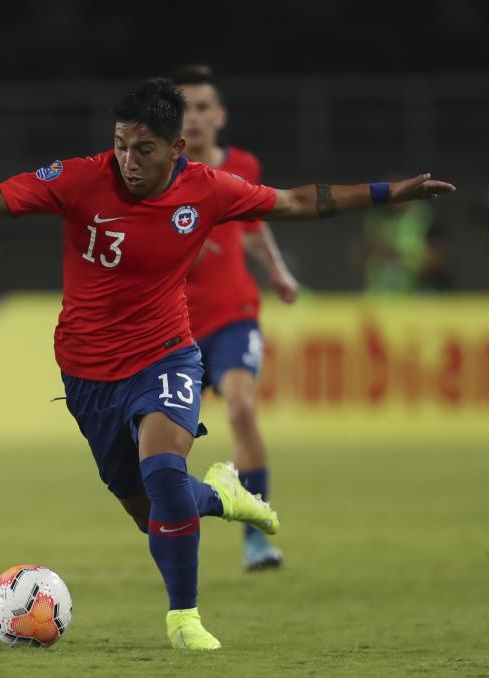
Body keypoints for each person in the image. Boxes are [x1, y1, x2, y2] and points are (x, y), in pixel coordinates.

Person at [0, 78, 454, 650]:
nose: (127, 160)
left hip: (165, 353)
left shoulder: (208, 191)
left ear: (177, 150)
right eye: (120, 145)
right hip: (87, 373)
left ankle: (184, 618)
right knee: (152, 513)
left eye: (142, 149)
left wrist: (386, 193)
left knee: (165, 474)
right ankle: (223, 495)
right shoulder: (81, 177)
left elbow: (295, 201)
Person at [174, 64, 298, 570]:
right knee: (168, 441)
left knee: (242, 408)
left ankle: (255, 536)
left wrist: (278, 270)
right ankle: (181, 532)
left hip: (233, 313)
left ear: (219, 116)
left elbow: (254, 222)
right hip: (176, 324)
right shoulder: (161, 171)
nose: (195, 117)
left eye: (203, 107)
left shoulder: (241, 164)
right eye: (184, 108)